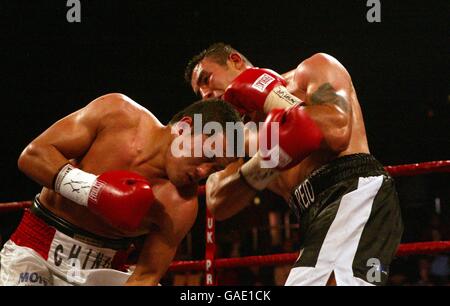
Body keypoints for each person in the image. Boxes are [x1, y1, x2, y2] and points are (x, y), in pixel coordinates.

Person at [185, 43, 404, 286]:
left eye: (207, 79)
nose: (205, 94)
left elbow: (337, 130)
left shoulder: (311, 70)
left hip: (351, 189)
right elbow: (218, 202)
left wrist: (272, 97)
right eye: (199, 92)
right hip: (313, 215)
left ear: (235, 60)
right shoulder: (237, 134)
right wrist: (268, 161)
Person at [0, 93, 241, 286]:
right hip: (35, 250)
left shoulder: (181, 206)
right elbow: (32, 156)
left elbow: (145, 276)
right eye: (207, 155)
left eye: (214, 168)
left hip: (104, 272)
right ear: (184, 128)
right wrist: (93, 190)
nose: (202, 172)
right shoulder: (118, 116)